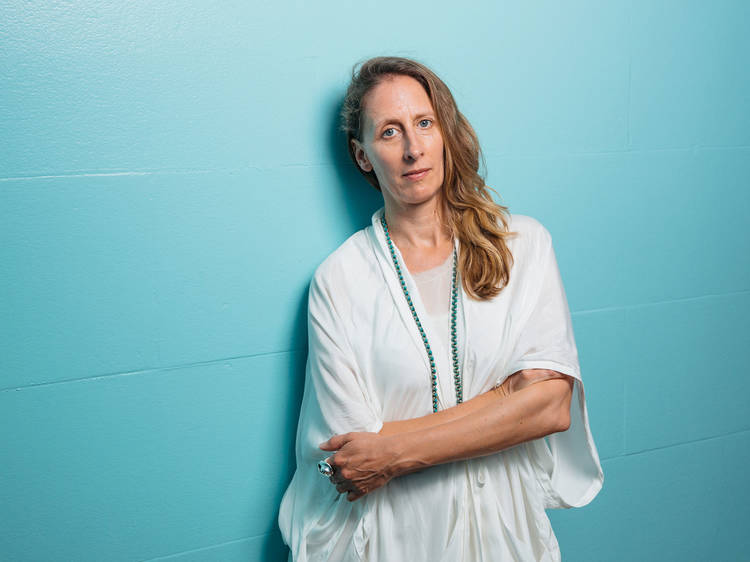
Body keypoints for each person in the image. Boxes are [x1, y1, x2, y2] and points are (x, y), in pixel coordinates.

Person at [278, 56, 603, 561]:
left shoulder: (523, 246)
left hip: (509, 537)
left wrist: (391, 450)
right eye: (389, 132)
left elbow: (551, 406)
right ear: (362, 156)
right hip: (403, 541)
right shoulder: (339, 281)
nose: (412, 148)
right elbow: (352, 457)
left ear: (444, 132)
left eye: (424, 123)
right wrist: (507, 397)